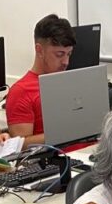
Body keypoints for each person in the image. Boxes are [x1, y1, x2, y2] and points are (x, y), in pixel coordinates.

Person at [5, 14, 75, 146]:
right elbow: (20, 146)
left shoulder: (69, 82)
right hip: (60, 159)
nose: (66, 62)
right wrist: (67, 133)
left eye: (69, 54)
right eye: (59, 54)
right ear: (39, 50)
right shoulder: (21, 91)